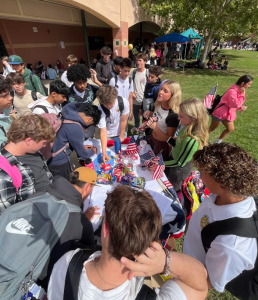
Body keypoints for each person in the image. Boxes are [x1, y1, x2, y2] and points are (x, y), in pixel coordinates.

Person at [48, 185, 208, 300]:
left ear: (105, 229)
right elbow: (200, 286)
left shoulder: (68, 261)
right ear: (150, 243)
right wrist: (165, 261)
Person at [183, 143, 258, 295]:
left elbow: (210, 280)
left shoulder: (231, 246)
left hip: (189, 273)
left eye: (202, 172)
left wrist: (181, 275)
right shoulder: (224, 195)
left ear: (223, 183)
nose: (199, 175)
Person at [37, 167, 100, 290]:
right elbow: (89, 250)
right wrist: (84, 220)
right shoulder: (79, 222)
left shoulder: (39, 194)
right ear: (87, 187)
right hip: (48, 279)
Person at [0, 114, 55, 214]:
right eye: (44, 142)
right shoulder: (3, 173)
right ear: (29, 140)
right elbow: (7, 215)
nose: (44, 146)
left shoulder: (34, 153)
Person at [165, 98, 209, 191]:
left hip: (178, 171)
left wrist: (161, 164)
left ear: (193, 119)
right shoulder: (187, 127)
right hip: (173, 161)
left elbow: (180, 163)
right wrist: (175, 140)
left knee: (172, 191)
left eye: (181, 116)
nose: (178, 118)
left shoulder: (192, 141)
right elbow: (181, 142)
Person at [48, 103, 101, 180]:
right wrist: (93, 151)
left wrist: (81, 146)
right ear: (89, 119)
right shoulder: (75, 127)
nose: (88, 126)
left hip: (50, 153)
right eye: (90, 124)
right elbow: (83, 154)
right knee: (64, 184)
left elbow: (66, 138)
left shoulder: (66, 113)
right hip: (59, 162)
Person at [143, 80, 181, 161]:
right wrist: (150, 113)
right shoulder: (158, 104)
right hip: (151, 139)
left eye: (165, 91)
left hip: (161, 147)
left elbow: (168, 139)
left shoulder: (173, 116)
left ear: (173, 96)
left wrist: (155, 127)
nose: (160, 92)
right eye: (161, 89)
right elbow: (158, 117)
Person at [209, 75, 253, 143]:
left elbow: (233, 103)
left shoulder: (238, 90)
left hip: (227, 114)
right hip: (220, 113)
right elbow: (235, 104)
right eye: (249, 84)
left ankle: (217, 142)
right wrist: (242, 94)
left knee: (230, 129)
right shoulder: (232, 91)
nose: (249, 86)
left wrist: (241, 107)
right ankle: (200, 140)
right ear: (242, 83)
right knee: (211, 129)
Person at [97, 86, 129, 163]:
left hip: (121, 132)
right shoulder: (100, 109)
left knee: (122, 157)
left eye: (110, 104)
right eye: (105, 104)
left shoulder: (123, 102)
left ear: (115, 98)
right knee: (110, 157)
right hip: (108, 134)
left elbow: (123, 120)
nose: (108, 106)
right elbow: (103, 131)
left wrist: (121, 136)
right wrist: (103, 151)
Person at [130, 53, 148, 128]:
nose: (138, 63)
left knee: (145, 117)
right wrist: (132, 92)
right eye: (137, 61)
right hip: (135, 100)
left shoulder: (148, 72)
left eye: (140, 61)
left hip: (145, 100)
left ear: (145, 61)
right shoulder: (133, 73)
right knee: (136, 117)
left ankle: (144, 130)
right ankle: (136, 128)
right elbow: (129, 85)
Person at [0, 78, 13, 144]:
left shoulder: (5, 111)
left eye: (9, 94)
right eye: (5, 96)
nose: (11, 97)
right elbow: (3, 153)